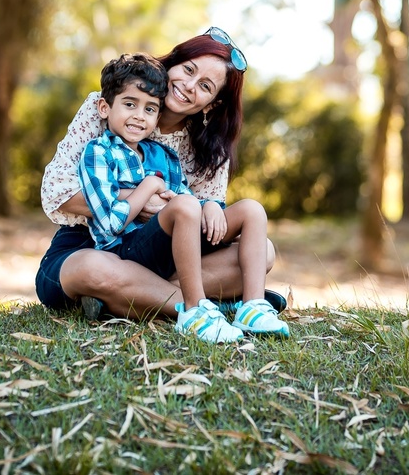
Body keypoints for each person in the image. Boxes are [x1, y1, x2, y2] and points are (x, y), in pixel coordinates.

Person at [36, 27, 287, 335]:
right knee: (93, 269)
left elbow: (204, 216)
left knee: (264, 250)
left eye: (205, 86)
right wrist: (141, 199)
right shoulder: (109, 106)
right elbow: (56, 192)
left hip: (164, 255)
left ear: (212, 104)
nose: (189, 85)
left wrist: (209, 207)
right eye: (189, 70)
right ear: (173, 63)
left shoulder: (208, 146)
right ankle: (207, 306)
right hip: (92, 243)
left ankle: (131, 297)